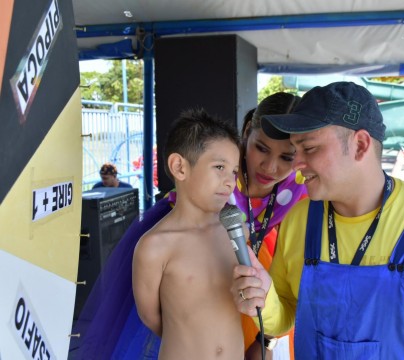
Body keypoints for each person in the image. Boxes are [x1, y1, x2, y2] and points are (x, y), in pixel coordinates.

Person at [232, 82, 404, 359]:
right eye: (295, 150)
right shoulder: (298, 221)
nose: (296, 164)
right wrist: (263, 298)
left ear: (360, 145)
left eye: (308, 148)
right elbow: (284, 317)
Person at [70, 93, 307, 360]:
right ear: (247, 133)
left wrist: (265, 341)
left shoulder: (300, 200)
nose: (270, 166)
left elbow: (290, 293)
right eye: (261, 148)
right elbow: (152, 317)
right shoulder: (161, 239)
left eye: (287, 157)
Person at [132, 108, 243, 359]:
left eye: (234, 171)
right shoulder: (155, 246)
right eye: (219, 167)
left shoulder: (235, 230)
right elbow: (151, 317)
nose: (230, 181)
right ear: (179, 167)